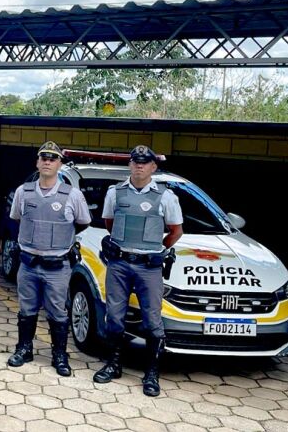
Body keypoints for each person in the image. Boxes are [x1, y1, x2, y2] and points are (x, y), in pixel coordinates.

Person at [93, 145, 183, 397]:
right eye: (135, 161)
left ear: (153, 167)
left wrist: (156, 249)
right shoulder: (115, 192)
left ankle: (151, 374)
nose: (139, 166)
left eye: (145, 162)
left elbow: (176, 231)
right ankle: (113, 364)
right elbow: (110, 223)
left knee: (153, 321)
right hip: (119, 264)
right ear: (130, 165)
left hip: (149, 267)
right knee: (114, 316)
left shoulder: (166, 196)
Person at [7, 141, 91, 376]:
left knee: (58, 312)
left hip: (57, 266)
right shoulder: (24, 192)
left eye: (52, 158)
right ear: (37, 162)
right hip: (29, 263)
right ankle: (24, 349)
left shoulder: (72, 195)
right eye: (43, 157)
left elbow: (83, 222)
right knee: (26, 309)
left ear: (59, 164)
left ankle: (59, 355)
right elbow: (16, 219)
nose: (47, 161)